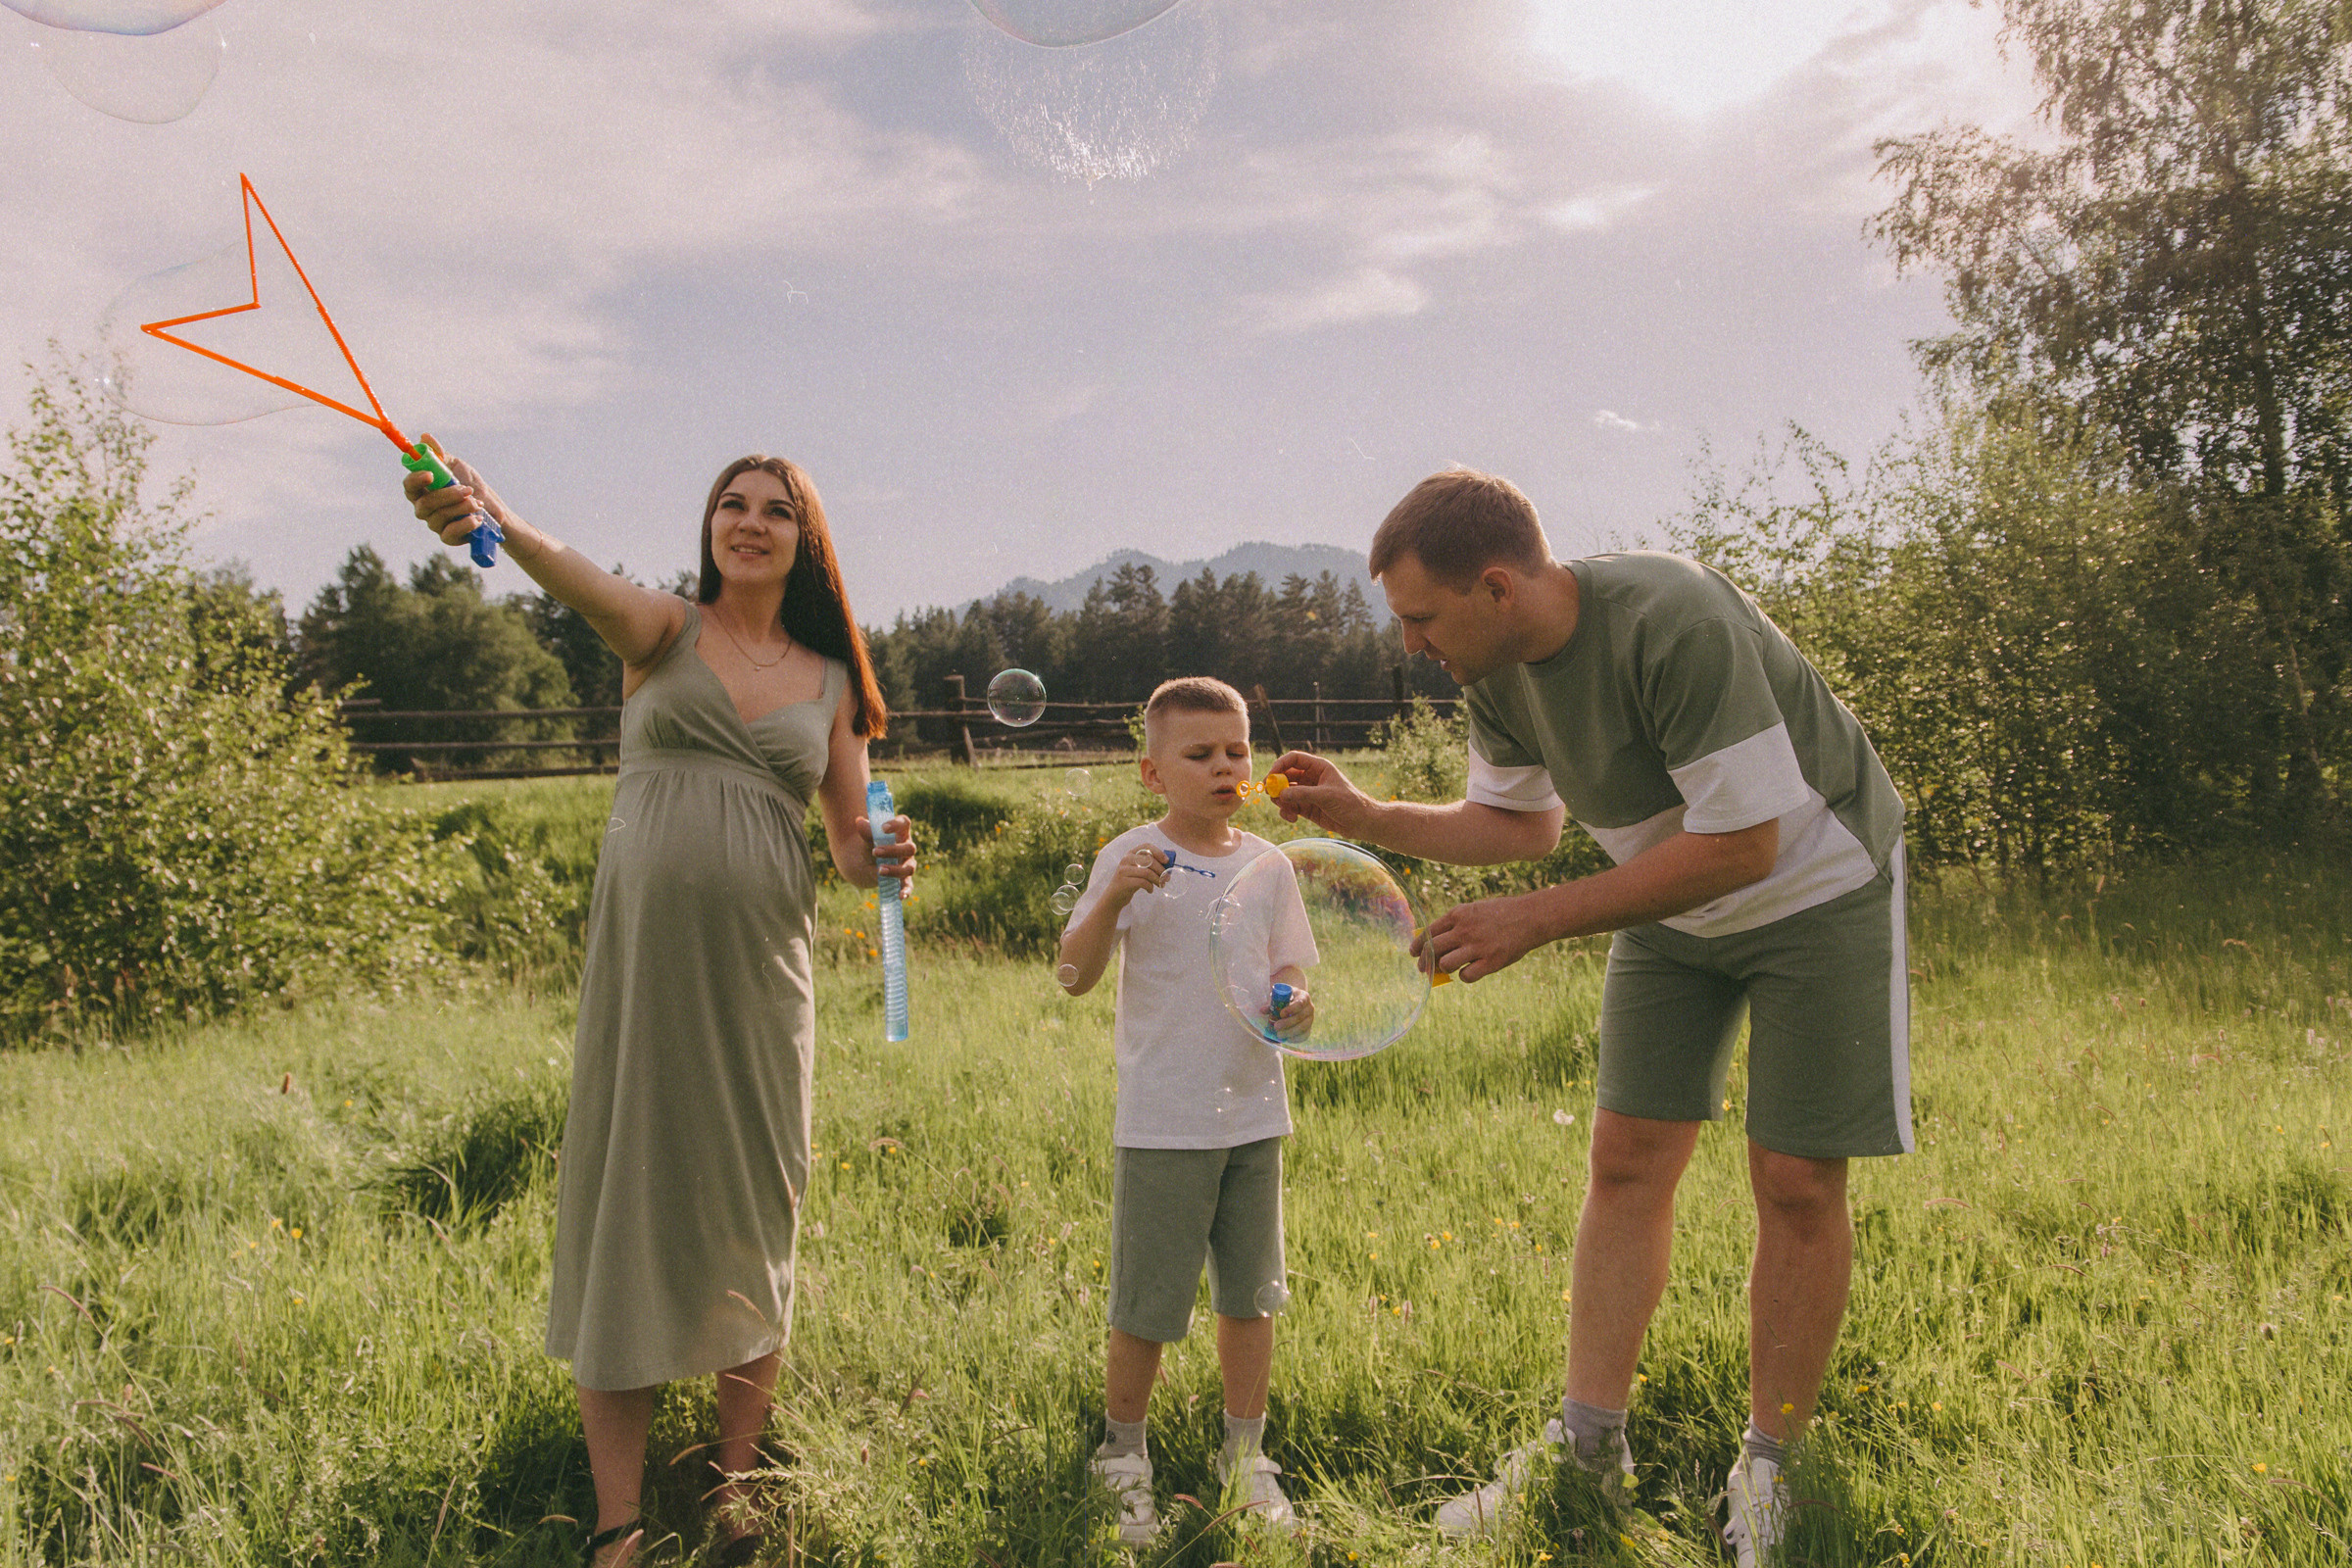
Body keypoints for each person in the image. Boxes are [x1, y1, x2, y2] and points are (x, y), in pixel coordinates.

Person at [1268, 469, 1909, 1566]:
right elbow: (1514, 827)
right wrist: (1365, 813)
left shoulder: (1673, 620)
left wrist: (1541, 921)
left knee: (1796, 1179)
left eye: (1422, 616)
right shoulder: (1499, 667)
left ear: (1498, 585)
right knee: (1624, 1160)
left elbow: (1747, 844)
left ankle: (1773, 1466)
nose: (1413, 641)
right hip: (1672, 899)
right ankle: (1587, 1450)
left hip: (1816, 888)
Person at [407, 448, 913, 1568]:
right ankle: (619, 1521)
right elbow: (562, 568)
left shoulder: (834, 679)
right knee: (628, 1198)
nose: (750, 521)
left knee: (751, 1200)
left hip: (759, 977)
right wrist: (494, 512)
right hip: (646, 975)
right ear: (709, 527)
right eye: (731, 504)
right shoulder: (663, 632)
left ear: (806, 540)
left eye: (776, 510)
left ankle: (737, 1493)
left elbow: (843, 841)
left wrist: (880, 859)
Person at [1055, 677, 1318, 1546]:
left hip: (1253, 1115)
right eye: (1199, 754)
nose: (1223, 767)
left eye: (1236, 751)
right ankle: (1122, 1454)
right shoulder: (1133, 856)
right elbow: (1075, 971)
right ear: (1152, 772)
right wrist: (1114, 898)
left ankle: (1247, 1456)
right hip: (1166, 1118)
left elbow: (1291, 973)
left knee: (1251, 1296)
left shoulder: (1269, 865)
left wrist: (1295, 1001)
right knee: (1149, 1299)